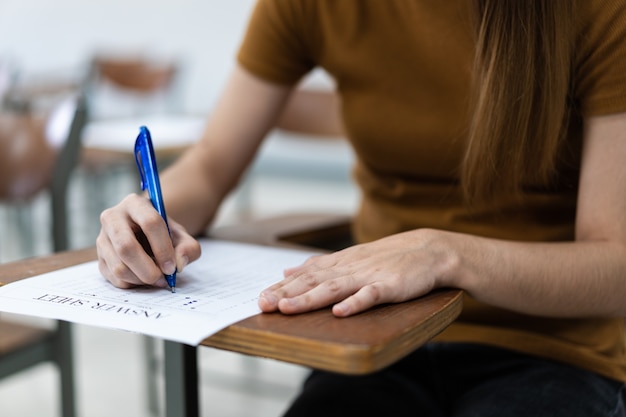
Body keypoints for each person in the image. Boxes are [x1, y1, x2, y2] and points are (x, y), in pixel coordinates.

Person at [96, 1, 626, 415]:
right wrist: (145, 216)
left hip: (553, 349)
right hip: (376, 342)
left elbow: (615, 264)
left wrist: (443, 254)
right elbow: (211, 164)